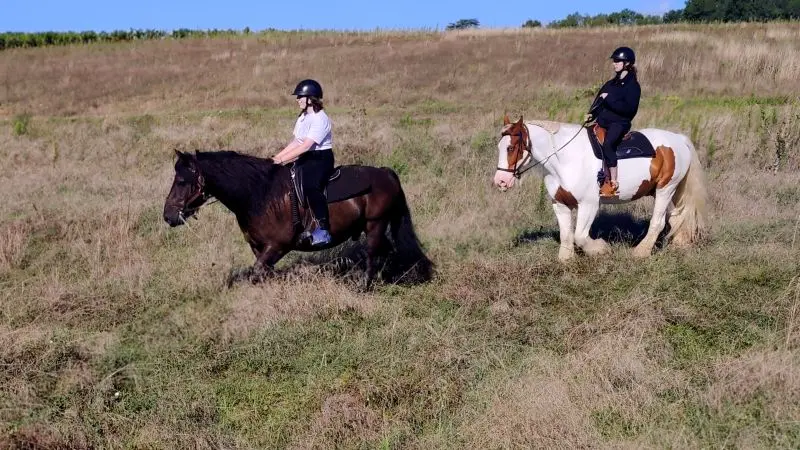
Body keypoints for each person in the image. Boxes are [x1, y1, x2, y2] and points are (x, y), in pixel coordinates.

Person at [272, 79, 334, 246]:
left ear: (310, 98)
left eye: (300, 96)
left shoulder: (320, 119)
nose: (297, 99)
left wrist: (282, 160)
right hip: (306, 157)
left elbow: (306, 146)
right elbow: (296, 142)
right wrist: (275, 159)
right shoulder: (303, 117)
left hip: (320, 159)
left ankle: (323, 229)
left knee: (310, 186)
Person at [585, 46, 641, 197]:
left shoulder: (633, 86)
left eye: (617, 61)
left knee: (608, 144)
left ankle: (613, 182)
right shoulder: (610, 84)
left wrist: (608, 100)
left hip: (620, 123)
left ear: (627, 63)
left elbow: (629, 110)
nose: (614, 64)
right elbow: (598, 101)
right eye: (614, 61)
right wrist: (591, 114)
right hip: (603, 121)